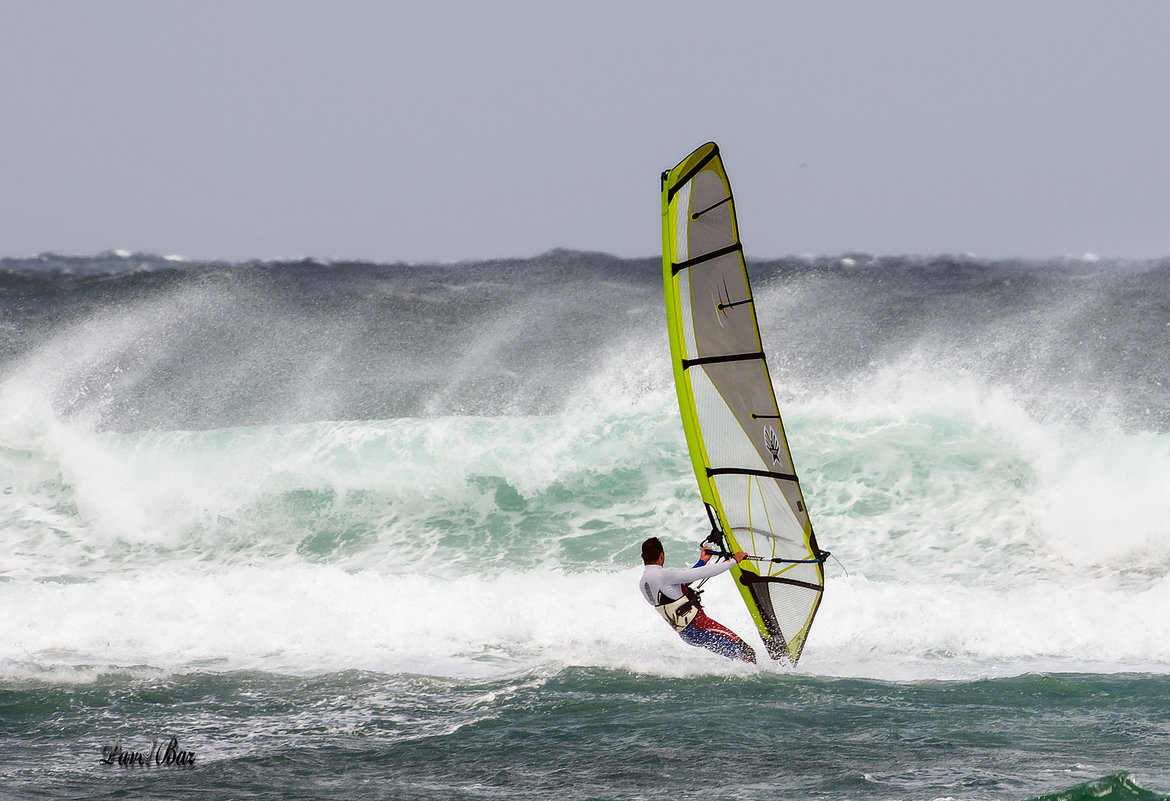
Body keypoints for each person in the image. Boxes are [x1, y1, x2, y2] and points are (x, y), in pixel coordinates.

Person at [638, 536, 757, 664]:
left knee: (740, 657)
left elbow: (679, 586)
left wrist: (702, 561)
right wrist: (734, 560)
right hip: (700, 627)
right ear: (662, 555)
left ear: (642, 557)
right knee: (745, 653)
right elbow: (704, 573)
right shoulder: (664, 574)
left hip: (687, 634)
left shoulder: (643, 584)